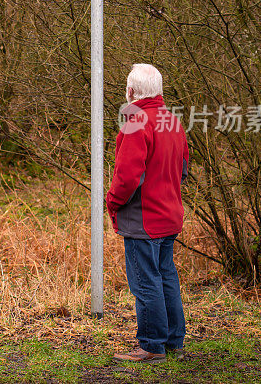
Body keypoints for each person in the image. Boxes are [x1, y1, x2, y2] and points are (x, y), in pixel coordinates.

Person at [107, 63, 189, 364]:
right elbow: (182, 169)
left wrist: (113, 201)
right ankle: (173, 341)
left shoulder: (136, 121)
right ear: (160, 90)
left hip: (144, 217)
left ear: (130, 91)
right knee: (166, 276)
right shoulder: (172, 120)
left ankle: (152, 345)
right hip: (170, 213)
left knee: (145, 281)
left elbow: (128, 176)